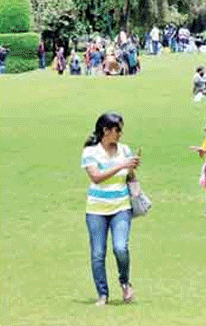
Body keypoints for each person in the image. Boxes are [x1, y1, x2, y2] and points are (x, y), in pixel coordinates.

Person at [81, 112, 140, 306]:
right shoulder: (90, 152)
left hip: (121, 206)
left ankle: (125, 282)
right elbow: (96, 177)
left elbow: (128, 176)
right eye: (117, 130)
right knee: (98, 253)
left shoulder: (125, 150)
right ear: (106, 131)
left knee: (120, 248)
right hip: (96, 209)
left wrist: (132, 167)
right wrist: (121, 165)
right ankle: (102, 294)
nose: (120, 134)